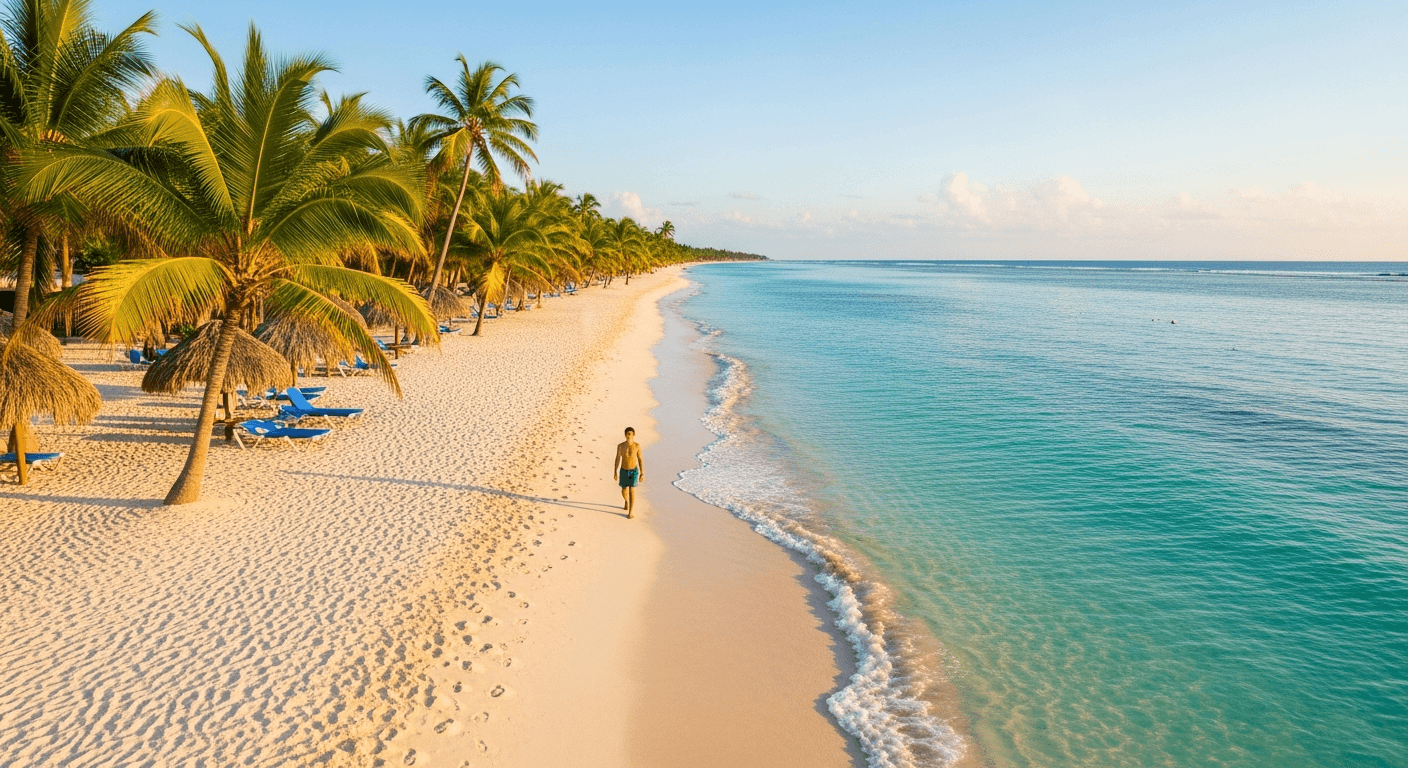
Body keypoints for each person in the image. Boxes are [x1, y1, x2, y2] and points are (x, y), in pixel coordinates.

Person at [613, 427, 645, 519]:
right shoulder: (620, 446)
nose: (628, 435)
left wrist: (642, 473)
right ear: (625, 435)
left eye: (630, 434)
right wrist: (615, 472)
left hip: (633, 471)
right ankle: (627, 501)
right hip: (623, 470)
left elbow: (640, 459)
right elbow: (617, 459)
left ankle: (631, 511)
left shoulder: (637, 446)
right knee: (624, 490)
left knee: (632, 490)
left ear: (633, 435)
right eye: (627, 434)